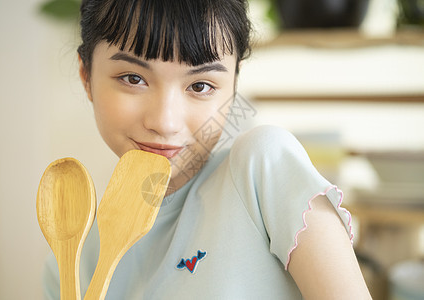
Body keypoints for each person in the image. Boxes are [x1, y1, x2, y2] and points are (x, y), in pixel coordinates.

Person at [43, 0, 372, 299]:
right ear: (86, 76)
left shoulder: (263, 168)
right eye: (132, 78)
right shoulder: (70, 260)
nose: (165, 121)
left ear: (233, 87)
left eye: (200, 86)